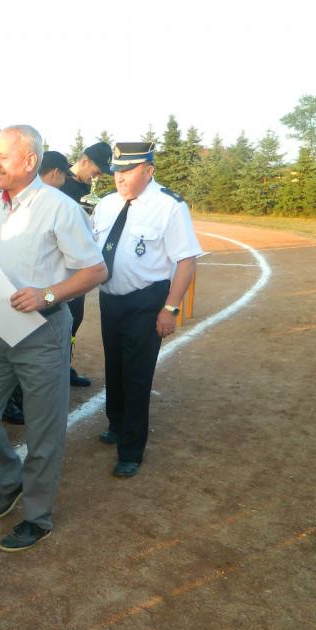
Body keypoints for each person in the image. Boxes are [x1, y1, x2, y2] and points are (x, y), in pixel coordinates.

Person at [0, 125, 107, 552]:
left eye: (2, 155)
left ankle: (37, 517)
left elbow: (95, 271)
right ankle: (12, 479)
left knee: (43, 431)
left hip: (42, 333)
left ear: (30, 161)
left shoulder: (60, 208)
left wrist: (47, 295)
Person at [91, 142, 201, 478]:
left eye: (128, 170)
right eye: (116, 171)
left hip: (145, 302)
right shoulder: (106, 204)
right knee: (114, 366)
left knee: (137, 376)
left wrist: (170, 307)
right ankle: (116, 423)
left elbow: (186, 260)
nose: (120, 177)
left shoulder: (169, 206)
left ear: (149, 170)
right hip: (110, 299)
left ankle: (131, 450)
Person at [62, 143, 114, 387]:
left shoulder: (85, 190)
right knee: (59, 319)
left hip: (79, 268)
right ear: (84, 161)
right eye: (96, 170)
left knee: (75, 317)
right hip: (60, 269)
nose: (98, 176)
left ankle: (64, 366)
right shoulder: (61, 185)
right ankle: (53, 369)